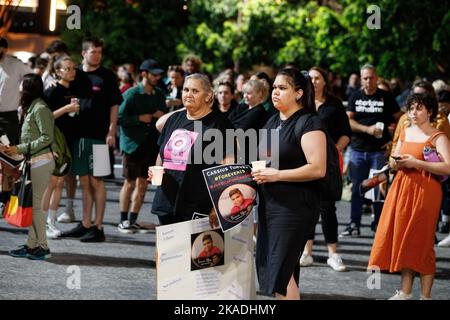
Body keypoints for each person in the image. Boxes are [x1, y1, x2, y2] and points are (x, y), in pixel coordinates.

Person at [252, 68, 327, 300]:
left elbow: (318, 168)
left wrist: (277, 175)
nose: (275, 92)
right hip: (269, 205)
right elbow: (264, 162)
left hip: (294, 208)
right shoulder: (272, 121)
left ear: (298, 93)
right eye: (274, 87)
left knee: (280, 273)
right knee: (281, 274)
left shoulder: (309, 122)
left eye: (282, 88)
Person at [368, 93, 450, 300]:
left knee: (422, 242)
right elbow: (396, 158)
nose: (413, 112)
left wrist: (417, 163)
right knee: (405, 239)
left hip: (426, 191)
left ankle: (425, 296)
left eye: (419, 108)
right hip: (402, 188)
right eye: (411, 108)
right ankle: (405, 292)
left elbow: (448, 167)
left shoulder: (438, 136)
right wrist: (396, 162)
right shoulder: (404, 131)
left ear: (429, 111)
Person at [148, 73, 234, 225]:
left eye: (195, 91)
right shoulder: (175, 119)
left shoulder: (220, 125)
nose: (188, 94)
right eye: (186, 90)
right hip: (167, 201)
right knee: (167, 249)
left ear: (208, 96)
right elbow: (162, 154)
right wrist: (155, 171)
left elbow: (227, 168)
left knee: (192, 249)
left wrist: (218, 205)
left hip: (198, 207)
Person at [61, 36, 122, 242]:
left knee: (98, 180)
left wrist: (112, 131)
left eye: (100, 52)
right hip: (78, 136)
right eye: (93, 52)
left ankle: (99, 227)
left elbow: (115, 105)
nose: (97, 55)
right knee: (83, 180)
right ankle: (86, 223)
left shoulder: (107, 76)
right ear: (83, 54)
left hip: (100, 136)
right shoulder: (74, 74)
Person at [299, 67, 351, 271]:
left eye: (317, 78)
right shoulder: (302, 104)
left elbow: (346, 133)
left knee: (327, 208)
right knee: (307, 207)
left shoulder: (334, 104)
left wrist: (333, 150)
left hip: (327, 165)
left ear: (325, 81)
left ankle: (333, 254)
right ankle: (307, 252)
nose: (313, 81)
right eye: (310, 78)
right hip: (304, 162)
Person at [341, 64, 401, 237]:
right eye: (365, 78)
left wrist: (392, 137)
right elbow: (349, 121)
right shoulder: (355, 96)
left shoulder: (386, 97)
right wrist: (367, 129)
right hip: (358, 150)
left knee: (377, 189)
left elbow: (401, 118)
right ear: (361, 79)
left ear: (376, 77)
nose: (368, 81)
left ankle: (378, 224)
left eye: (371, 77)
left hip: (378, 152)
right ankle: (354, 224)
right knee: (357, 188)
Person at [2, 73, 55, 260]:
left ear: (28, 88)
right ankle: (32, 245)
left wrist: (19, 148)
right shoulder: (32, 106)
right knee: (34, 206)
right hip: (34, 161)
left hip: (41, 161)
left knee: (36, 207)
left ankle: (42, 246)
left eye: (21, 84)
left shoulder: (40, 108)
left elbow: (47, 137)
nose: (18, 88)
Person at [117, 58, 167, 234]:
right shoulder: (131, 94)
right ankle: (123, 220)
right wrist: (139, 118)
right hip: (132, 145)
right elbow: (118, 118)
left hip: (150, 146)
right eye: (154, 74)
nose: (157, 77)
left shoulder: (160, 94)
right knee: (129, 183)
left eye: (159, 74)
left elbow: (165, 117)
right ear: (144, 74)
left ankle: (133, 219)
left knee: (143, 185)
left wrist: (163, 115)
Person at [42, 56, 80, 239]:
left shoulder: (72, 89)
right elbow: (45, 118)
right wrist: (66, 109)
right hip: (53, 141)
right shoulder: (51, 91)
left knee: (59, 183)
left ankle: (52, 221)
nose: (72, 71)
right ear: (57, 71)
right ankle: (42, 223)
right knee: (51, 183)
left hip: (67, 141)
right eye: (67, 68)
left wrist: (73, 111)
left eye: (73, 68)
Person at [0, 37, 32, 209]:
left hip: (8, 118)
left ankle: (7, 197)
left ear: (5, 49)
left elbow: (32, 79)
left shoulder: (15, 64)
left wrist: (24, 101)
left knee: (8, 159)